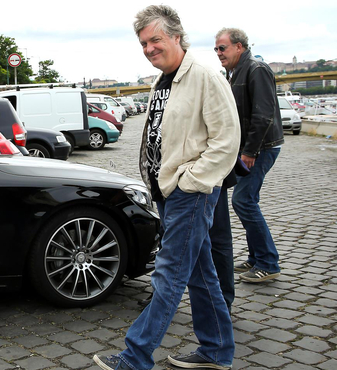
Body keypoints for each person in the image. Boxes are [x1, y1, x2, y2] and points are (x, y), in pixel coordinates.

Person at [93, 5, 240, 370]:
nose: (149, 48)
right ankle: (217, 349)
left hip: (189, 192)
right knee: (200, 273)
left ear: (176, 36)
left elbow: (227, 139)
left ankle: (135, 356)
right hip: (168, 191)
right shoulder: (164, 80)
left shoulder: (205, 76)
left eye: (155, 40)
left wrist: (192, 181)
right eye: (143, 43)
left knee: (170, 272)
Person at [215, 28, 285, 283]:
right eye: (216, 49)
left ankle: (268, 261)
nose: (218, 53)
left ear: (239, 46)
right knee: (246, 200)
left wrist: (249, 152)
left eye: (222, 48)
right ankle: (257, 258)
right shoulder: (234, 72)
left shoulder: (256, 69)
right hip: (249, 148)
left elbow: (263, 114)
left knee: (243, 202)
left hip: (261, 147)